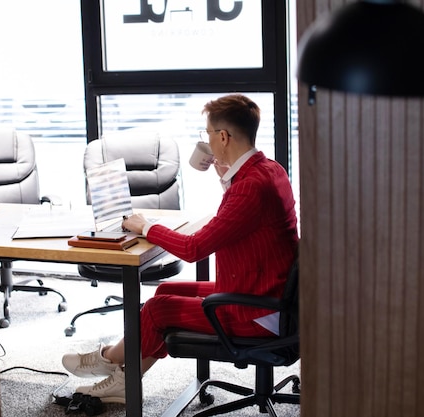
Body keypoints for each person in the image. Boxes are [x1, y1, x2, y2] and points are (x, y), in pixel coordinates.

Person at [61, 93, 299, 403]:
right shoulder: (268, 170)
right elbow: (241, 222)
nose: (207, 141)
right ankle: (121, 373)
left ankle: (111, 363)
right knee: (163, 293)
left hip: (258, 313)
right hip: (267, 291)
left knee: (158, 310)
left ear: (223, 137)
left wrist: (146, 227)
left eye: (208, 134)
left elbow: (194, 248)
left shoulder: (250, 187)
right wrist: (224, 177)